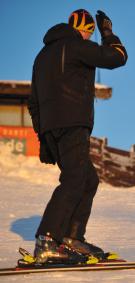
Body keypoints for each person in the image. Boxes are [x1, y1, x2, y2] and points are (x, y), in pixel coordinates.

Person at [28, 9, 127, 264]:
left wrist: (43, 137)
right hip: (72, 123)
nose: (89, 38)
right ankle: (47, 240)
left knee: (87, 179)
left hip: (52, 128)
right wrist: (108, 33)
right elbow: (118, 57)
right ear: (84, 29)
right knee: (74, 179)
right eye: (90, 32)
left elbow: (33, 102)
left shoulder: (41, 56)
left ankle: (72, 238)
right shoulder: (76, 46)